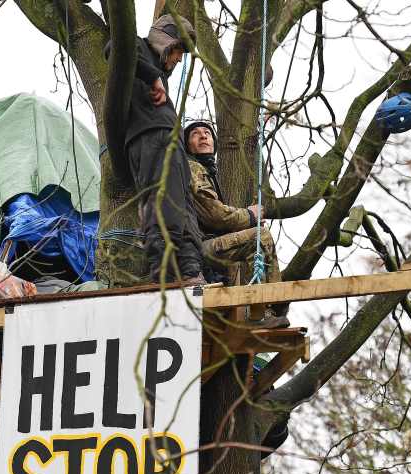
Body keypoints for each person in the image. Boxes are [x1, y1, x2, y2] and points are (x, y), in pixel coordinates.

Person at [108, 15, 204, 284]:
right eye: (178, 51)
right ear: (166, 41)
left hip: (169, 143)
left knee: (184, 208)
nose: (179, 59)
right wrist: (153, 77)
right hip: (151, 139)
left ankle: (190, 270)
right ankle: (166, 274)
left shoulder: (159, 73)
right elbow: (113, 50)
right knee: (164, 207)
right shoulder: (138, 48)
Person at [183, 120, 288, 327]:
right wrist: (249, 215)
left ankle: (264, 310)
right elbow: (214, 214)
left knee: (251, 241)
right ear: (187, 145)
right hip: (194, 252)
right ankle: (268, 309)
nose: (203, 136)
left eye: (207, 133)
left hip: (201, 250)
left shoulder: (207, 172)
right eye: (195, 134)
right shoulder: (191, 168)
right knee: (259, 236)